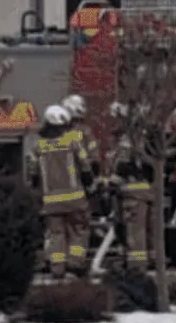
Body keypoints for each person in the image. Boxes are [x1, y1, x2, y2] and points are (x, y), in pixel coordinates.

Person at [34, 104, 94, 277]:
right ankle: (75, 263)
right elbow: (85, 167)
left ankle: (57, 268)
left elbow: (33, 174)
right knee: (79, 230)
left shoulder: (39, 147)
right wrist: (90, 186)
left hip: (50, 202)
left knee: (56, 235)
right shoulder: (72, 143)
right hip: (75, 199)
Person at [108, 102, 156, 273]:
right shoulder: (148, 139)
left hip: (132, 193)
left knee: (135, 233)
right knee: (148, 231)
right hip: (148, 192)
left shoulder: (128, 143)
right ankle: (151, 261)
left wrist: (108, 184)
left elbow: (121, 168)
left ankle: (136, 267)